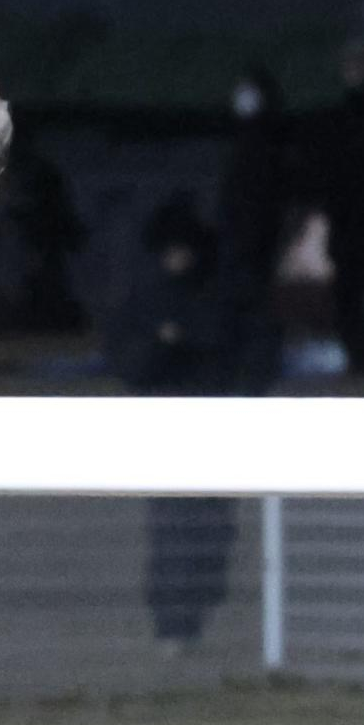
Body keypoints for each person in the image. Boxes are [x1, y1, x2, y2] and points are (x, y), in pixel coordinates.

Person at [106, 194, 236, 645]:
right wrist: (165, 344)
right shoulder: (144, 299)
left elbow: (241, 356)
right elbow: (128, 363)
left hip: (215, 434)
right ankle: (173, 625)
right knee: (173, 535)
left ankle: (195, 618)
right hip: (165, 438)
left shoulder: (216, 295)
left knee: (214, 532)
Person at [309, 44, 364, 375]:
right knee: (349, 297)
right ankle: (361, 363)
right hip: (349, 223)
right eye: (349, 66)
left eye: (360, 66)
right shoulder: (339, 119)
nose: (354, 72)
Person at [214, 66, 289, 390]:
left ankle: (254, 370)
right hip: (245, 237)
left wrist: (249, 238)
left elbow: (259, 196)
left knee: (252, 305)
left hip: (253, 240)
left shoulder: (263, 142)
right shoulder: (247, 138)